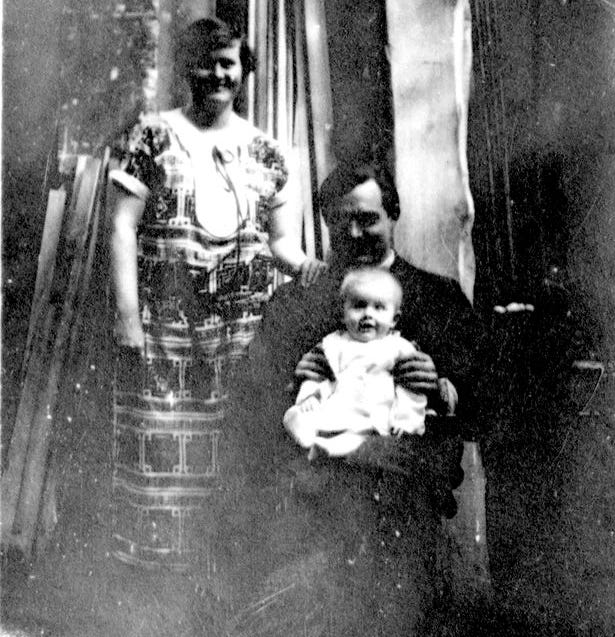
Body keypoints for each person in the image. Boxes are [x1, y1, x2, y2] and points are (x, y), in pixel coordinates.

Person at [226, 163, 485, 636]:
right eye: (339, 220)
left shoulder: (438, 297)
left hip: (408, 498)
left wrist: (442, 388)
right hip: (317, 502)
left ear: (394, 215)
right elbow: (249, 403)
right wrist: (294, 385)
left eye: (367, 218)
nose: (353, 233)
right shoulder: (296, 304)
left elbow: (482, 408)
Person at [108, 17, 324, 569]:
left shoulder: (269, 153)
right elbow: (123, 226)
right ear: (187, 68)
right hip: (164, 330)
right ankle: (156, 582)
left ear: (243, 70)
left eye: (227, 61)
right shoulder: (152, 134)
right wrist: (129, 317)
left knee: (229, 450)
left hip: (238, 335)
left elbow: (282, 243)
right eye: (205, 61)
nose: (216, 73)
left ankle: (217, 578)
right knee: (161, 444)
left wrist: (313, 269)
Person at [284, 267, 430, 458]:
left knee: (356, 440)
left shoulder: (399, 348)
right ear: (343, 314)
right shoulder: (334, 343)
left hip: (375, 412)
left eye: (378, 307)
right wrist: (310, 397)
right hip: (340, 403)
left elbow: (411, 389)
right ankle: (303, 428)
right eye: (359, 306)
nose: (368, 314)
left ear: (394, 319)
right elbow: (318, 375)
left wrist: (406, 421)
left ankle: (323, 449)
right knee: (306, 415)